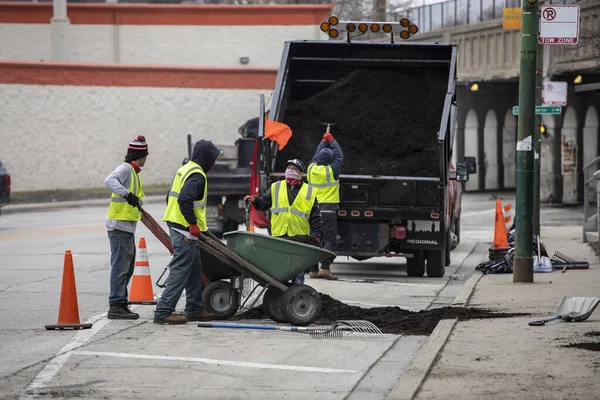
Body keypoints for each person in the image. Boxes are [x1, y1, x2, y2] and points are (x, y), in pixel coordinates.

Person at [154, 139, 220, 325]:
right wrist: (191, 223)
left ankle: (194, 309)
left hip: (179, 224)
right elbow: (184, 199)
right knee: (181, 269)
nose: (214, 163)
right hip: (184, 229)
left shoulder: (185, 168)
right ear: (206, 158)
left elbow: (170, 196)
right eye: (213, 159)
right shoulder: (197, 175)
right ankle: (164, 311)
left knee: (194, 268)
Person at [245, 159, 323, 285]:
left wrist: (316, 236)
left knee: (297, 271)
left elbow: (316, 218)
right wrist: (255, 200)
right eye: (289, 168)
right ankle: (279, 295)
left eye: (294, 169)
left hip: (299, 238)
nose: (290, 171)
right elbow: (265, 203)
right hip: (279, 235)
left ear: (301, 173)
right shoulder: (276, 187)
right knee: (279, 270)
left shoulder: (309, 191)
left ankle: (295, 296)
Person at [104, 135, 149, 320]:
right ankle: (116, 305)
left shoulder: (134, 172)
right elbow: (109, 180)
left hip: (126, 227)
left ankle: (121, 302)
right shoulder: (126, 169)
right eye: (146, 155)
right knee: (121, 267)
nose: (147, 159)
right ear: (140, 156)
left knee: (127, 268)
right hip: (119, 226)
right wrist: (128, 194)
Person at [306, 131, 344, 280]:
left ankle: (313, 269)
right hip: (328, 210)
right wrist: (332, 140)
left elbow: (316, 155)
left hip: (313, 211)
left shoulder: (311, 168)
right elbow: (339, 155)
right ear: (331, 160)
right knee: (329, 239)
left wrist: (323, 141)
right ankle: (325, 268)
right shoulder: (332, 170)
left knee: (315, 238)